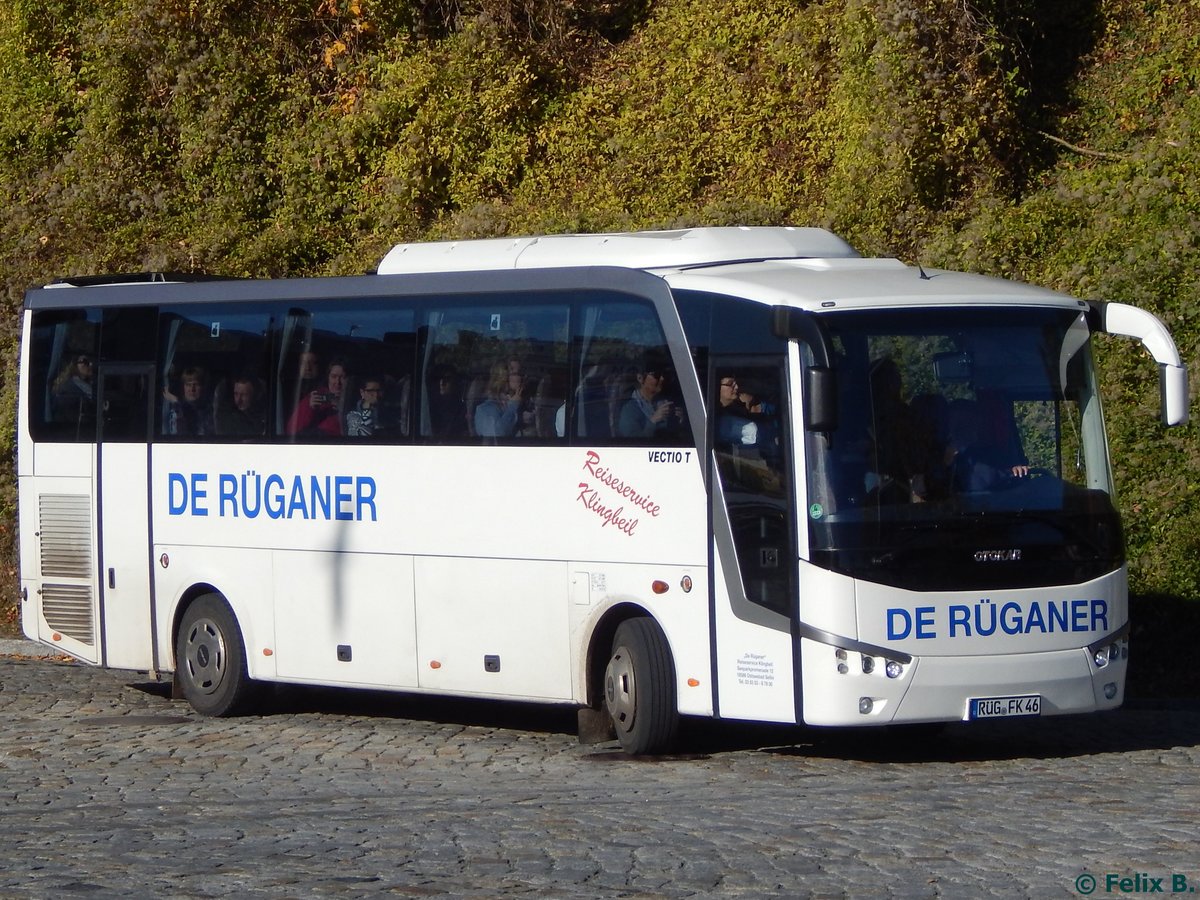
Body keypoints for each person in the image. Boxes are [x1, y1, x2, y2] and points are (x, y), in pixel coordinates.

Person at [617, 357, 683, 439]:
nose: (662, 379)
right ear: (640, 378)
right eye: (656, 375)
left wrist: (680, 423)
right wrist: (653, 421)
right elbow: (632, 444)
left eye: (664, 374)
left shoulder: (669, 401)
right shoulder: (629, 409)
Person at [287, 358, 347, 436]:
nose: (337, 382)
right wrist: (309, 408)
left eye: (343, 377)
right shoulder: (315, 397)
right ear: (328, 378)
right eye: (333, 376)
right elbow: (290, 430)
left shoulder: (359, 401)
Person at [474, 361, 525, 439]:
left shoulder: (514, 403)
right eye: (514, 374)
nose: (520, 377)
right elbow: (497, 434)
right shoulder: (485, 409)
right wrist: (513, 406)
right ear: (504, 379)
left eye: (520, 373)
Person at [164, 366, 214, 437]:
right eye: (188, 385)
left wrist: (178, 403)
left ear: (202, 387)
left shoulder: (209, 411)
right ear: (183, 387)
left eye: (196, 384)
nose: (192, 389)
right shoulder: (172, 408)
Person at [52, 354, 96, 425]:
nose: (91, 364)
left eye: (91, 361)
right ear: (75, 366)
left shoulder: (88, 384)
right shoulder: (69, 387)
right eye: (85, 362)